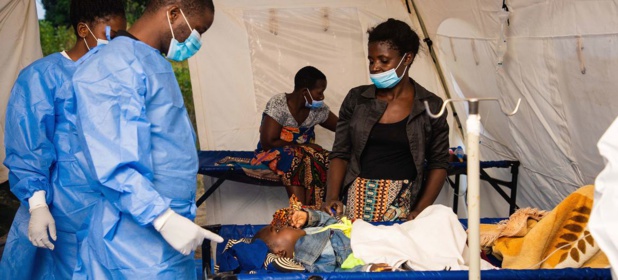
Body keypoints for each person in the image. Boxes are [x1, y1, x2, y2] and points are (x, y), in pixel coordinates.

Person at [70, 0, 222, 278]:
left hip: (165, 231)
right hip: (136, 241)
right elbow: (113, 160)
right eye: (198, 30)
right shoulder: (113, 66)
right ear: (173, 13)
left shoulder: (149, 60)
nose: (197, 40)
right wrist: (162, 218)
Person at [0, 1, 127, 279]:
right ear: (84, 29)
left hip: (110, 211)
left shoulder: (115, 79)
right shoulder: (42, 77)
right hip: (59, 212)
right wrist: (37, 206)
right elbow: (27, 147)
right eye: (111, 36)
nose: (117, 45)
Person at [322, 19, 449, 222]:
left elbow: (439, 163)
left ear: (407, 58)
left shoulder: (430, 106)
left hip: (403, 200)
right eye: (371, 61)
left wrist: (420, 210)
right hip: (357, 195)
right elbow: (340, 153)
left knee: (394, 252)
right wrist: (332, 197)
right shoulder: (357, 99)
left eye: (383, 60)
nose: (375, 68)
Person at [248, 205, 486, 273]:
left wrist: (309, 216)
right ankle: (445, 252)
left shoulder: (310, 231)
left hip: (371, 232)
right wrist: (367, 268)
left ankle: (448, 242)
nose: (284, 226)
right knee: (418, 245)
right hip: (365, 248)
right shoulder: (306, 258)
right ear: (280, 252)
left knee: (439, 214)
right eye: (278, 231)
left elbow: (332, 221)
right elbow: (335, 274)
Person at [252, 66, 338, 207]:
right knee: (296, 157)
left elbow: (341, 127)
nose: (322, 97)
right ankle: (298, 211)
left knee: (327, 159)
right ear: (305, 92)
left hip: (305, 154)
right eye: (320, 92)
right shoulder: (279, 104)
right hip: (271, 152)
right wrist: (304, 147)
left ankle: (315, 210)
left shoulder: (318, 110)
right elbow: (268, 142)